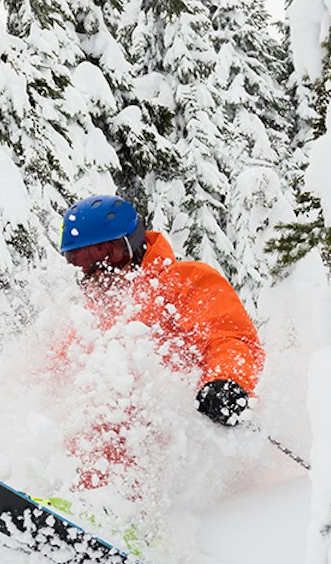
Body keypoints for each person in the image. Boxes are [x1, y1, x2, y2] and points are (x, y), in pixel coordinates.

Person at [55, 193, 265, 485]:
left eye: (109, 254)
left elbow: (229, 339)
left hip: (187, 431)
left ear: (134, 244)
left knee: (122, 407)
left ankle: (110, 503)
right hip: (114, 449)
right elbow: (53, 371)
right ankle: (69, 490)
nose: (102, 271)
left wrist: (226, 381)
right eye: (83, 261)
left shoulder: (185, 281)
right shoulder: (88, 318)